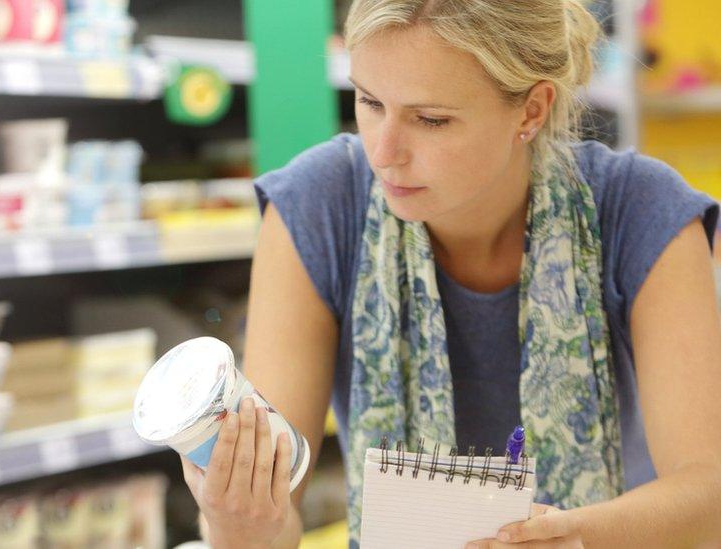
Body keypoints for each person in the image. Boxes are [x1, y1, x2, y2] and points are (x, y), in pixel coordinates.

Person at [179, 0, 721, 547]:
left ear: (531, 111)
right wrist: (238, 523)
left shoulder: (641, 210)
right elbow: (275, 514)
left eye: (431, 119)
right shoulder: (317, 206)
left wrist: (573, 536)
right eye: (369, 101)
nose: (384, 153)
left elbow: (708, 492)